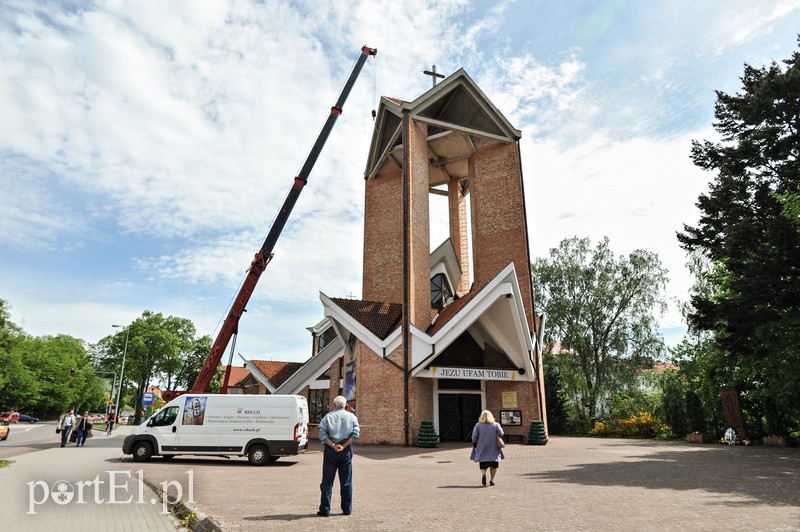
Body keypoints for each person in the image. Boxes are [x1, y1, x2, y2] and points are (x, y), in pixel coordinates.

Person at [318, 395, 360, 517]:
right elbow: (355, 434)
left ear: (333, 405)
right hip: (345, 451)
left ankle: (325, 509)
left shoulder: (328, 417)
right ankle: (347, 509)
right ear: (346, 405)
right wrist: (344, 446)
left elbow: (322, 435)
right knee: (346, 481)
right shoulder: (351, 417)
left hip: (331, 451)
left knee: (327, 481)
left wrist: (333, 445)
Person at [471, 409, 504, 487]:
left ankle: (484, 474)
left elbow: (474, 436)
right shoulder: (496, 424)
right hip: (494, 447)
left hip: (482, 446)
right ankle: (492, 480)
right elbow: (501, 433)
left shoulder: (478, 425)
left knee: (483, 462)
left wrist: (474, 442)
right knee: (494, 464)